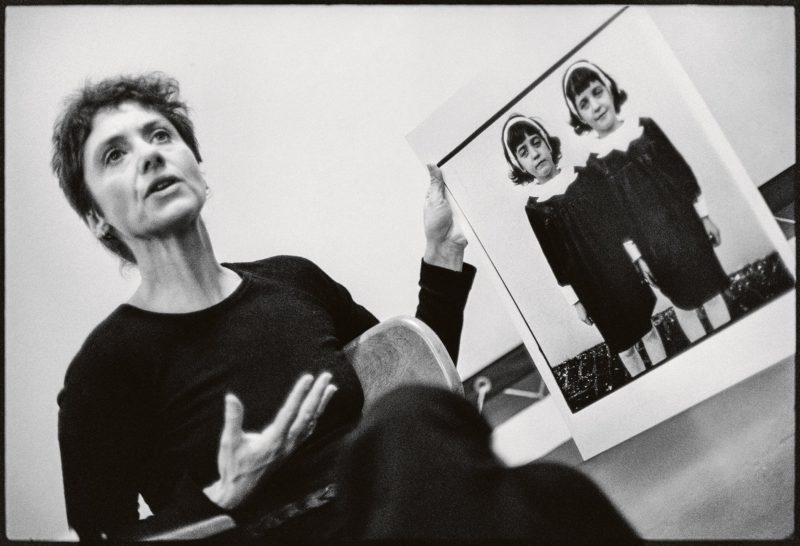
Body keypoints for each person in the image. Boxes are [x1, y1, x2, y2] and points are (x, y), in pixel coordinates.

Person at [53, 73, 639, 541]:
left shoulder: (290, 280)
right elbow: (104, 536)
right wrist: (223, 495)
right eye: (114, 156)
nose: (149, 156)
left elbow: (415, 379)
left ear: (196, 164)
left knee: (551, 490)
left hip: (390, 515)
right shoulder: (104, 371)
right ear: (97, 218)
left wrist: (439, 253)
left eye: (160, 136)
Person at [562, 60, 731, 343]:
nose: (596, 105)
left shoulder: (645, 129)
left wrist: (704, 216)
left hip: (686, 226)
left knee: (710, 292)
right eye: (584, 102)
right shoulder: (596, 165)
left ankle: (731, 345)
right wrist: (638, 258)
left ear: (611, 90)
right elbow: (615, 220)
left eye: (597, 91)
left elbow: (681, 171)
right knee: (684, 304)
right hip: (653, 246)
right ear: (579, 115)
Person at [502, 114, 665, 377]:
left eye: (536, 143)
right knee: (624, 346)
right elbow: (553, 256)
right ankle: (644, 381)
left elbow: (617, 223)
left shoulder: (585, 177)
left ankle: (666, 373)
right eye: (524, 152)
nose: (534, 154)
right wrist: (575, 301)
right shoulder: (535, 207)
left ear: (548, 143)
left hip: (620, 271)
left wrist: (638, 258)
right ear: (518, 164)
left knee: (647, 330)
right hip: (591, 287)